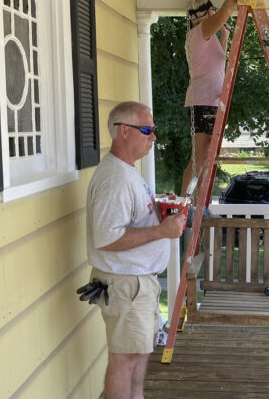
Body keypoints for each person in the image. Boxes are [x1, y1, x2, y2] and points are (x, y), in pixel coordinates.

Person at [86, 101, 186, 399]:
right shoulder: (115, 179)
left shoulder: (127, 171)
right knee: (125, 358)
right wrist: (161, 231)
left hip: (136, 282)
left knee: (139, 352)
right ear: (124, 132)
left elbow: (125, 216)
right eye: (147, 130)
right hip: (126, 283)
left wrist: (157, 208)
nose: (153, 136)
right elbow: (106, 237)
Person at [181, 0, 240, 197]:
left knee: (205, 159)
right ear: (207, 12)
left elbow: (218, 61)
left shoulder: (206, 37)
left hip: (208, 101)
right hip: (203, 101)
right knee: (199, 158)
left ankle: (196, 205)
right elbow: (225, 13)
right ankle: (186, 205)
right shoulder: (201, 31)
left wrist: (224, 36)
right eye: (212, 11)